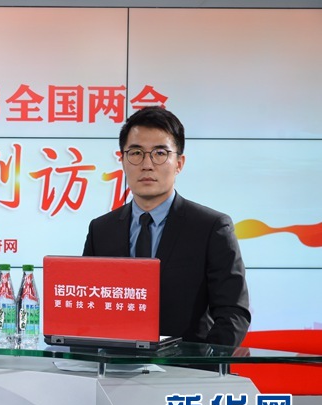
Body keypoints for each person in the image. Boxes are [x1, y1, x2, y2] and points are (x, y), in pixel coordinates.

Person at [82, 107, 250, 347]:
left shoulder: (211, 227)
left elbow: (233, 313)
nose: (147, 165)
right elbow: (88, 308)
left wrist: (202, 362)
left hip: (184, 367)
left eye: (160, 153)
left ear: (179, 163)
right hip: (115, 366)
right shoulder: (101, 230)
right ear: (122, 161)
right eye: (136, 153)